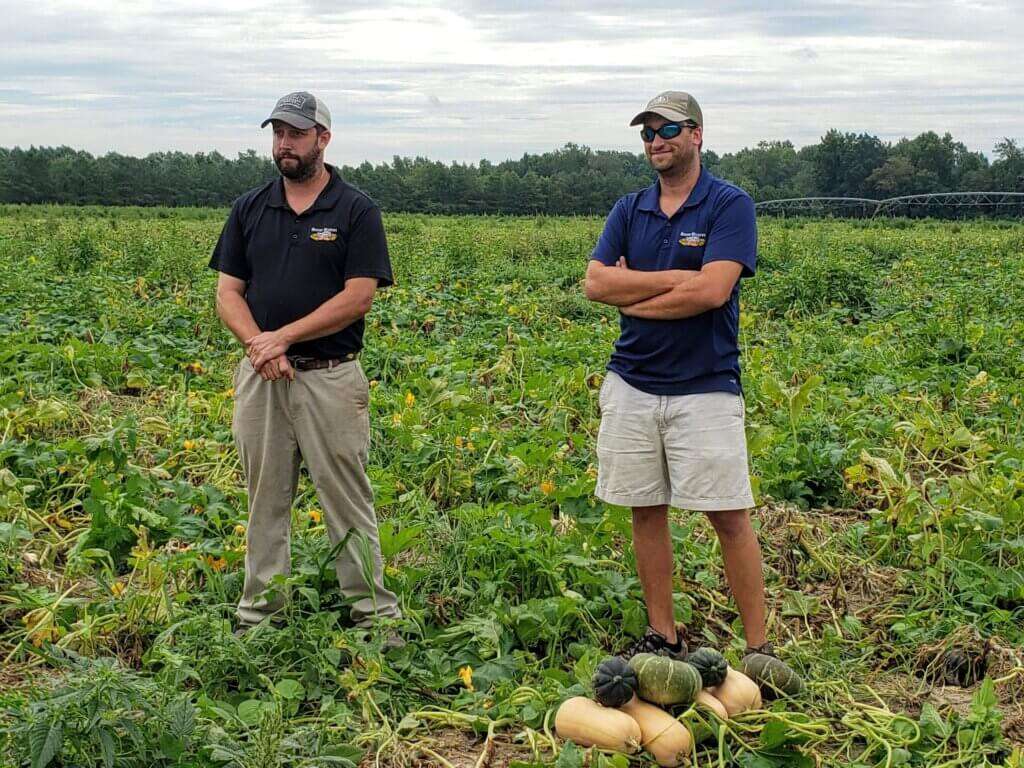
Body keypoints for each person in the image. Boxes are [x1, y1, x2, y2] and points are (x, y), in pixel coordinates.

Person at [584, 91, 801, 687]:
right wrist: (675, 281)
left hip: (705, 387)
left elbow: (712, 293)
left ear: (697, 134)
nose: (656, 140)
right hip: (630, 383)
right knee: (645, 510)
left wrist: (640, 293)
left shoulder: (729, 205)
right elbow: (598, 284)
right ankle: (665, 634)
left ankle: (758, 648)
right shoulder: (629, 209)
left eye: (669, 129)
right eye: (648, 132)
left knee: (729, 514)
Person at [209, 91, 401, 642]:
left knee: (346, 500)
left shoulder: (355, 210)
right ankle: (261, 618)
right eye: (277, 133)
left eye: (295, 133)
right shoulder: (251, 207)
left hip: (330, 377)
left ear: (323, 138)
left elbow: (358, 296)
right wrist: (257, 347)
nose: (284, 144)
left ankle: (373, 619)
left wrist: (282, 338)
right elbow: (228, 293)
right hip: (260, 379)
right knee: (264, 499)